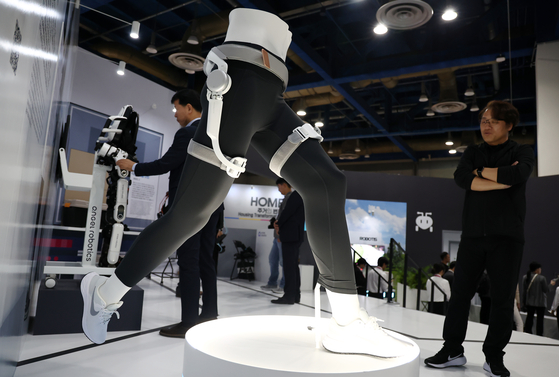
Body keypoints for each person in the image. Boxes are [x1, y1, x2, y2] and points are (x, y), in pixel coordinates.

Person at [80, 8, 409, 358]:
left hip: (272, 89)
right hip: (238, 79)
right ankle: (104, 293)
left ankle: (346, 324)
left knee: (327, 183)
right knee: (192, 214)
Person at [424, 100, 535, 377]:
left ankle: (494, 356)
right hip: (472, 236)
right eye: (484, 120)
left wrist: (481, 173)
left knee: (502, 299)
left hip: (507, 238)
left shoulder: (522, 150)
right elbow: (461, 178)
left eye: (493, 121)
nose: (486, 125)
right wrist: (497, 178)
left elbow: (518, 174)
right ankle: (452, 350)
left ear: (509, 125)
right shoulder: (473, 151)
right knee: (460, 295)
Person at [115, 89, 224, 337]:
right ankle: (209, 315)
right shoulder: (215, 137)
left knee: (188, 261)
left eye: (176, 108)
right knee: (206, 261)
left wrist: (135, 167)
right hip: (212, 206)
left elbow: (167, 164)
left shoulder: (188, 133)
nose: (174, 113)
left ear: (189, 107)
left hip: (188, 207)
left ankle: (188, 323)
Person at [271, 178, 304, 304]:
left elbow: (287, 213)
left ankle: (289, 296)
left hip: (290, 236)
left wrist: (278, 223)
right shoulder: (300, 195)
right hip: (295, 235)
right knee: (293, 267)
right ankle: (295, 295)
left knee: (289, 267)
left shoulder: (295, 196)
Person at [522, 262, 549, 336]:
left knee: (529, 318)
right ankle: (539, 334)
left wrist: (523, 301)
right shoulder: (542, 278)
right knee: (540, 320)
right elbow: (546, 290)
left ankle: (527, 331)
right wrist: (551, 285)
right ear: (537, 269)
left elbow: (524, 291)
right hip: (540, 303)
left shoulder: (525, 277)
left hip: (529, 302)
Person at [260, 219, 285, 292]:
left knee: (283, 262)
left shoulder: (287, 208)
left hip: (282, 237)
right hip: (276, 237)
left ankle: (283, 285)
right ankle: (272, 282)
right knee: (272, 259)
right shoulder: (281, 208)